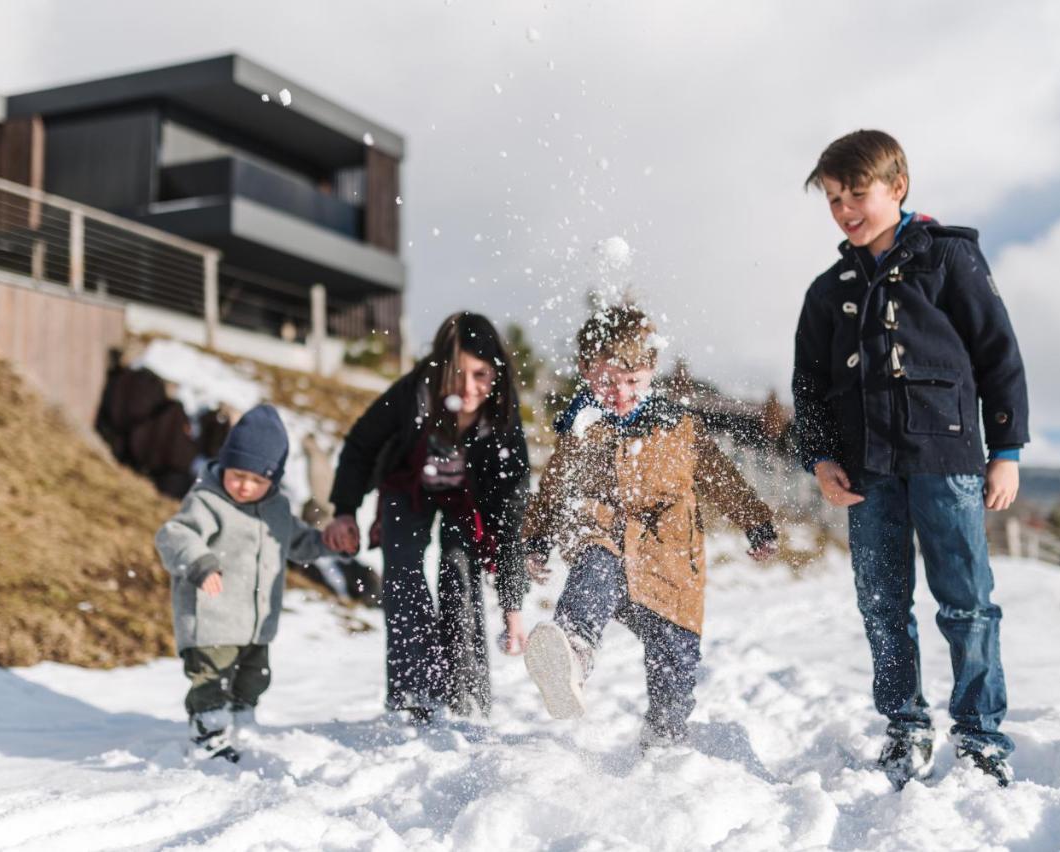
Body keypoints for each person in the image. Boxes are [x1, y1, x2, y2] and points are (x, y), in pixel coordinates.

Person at [793, 129, 1029, 788]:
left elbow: (998, 356)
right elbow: (808, 384)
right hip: (866, 470)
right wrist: (819, 457)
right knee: (882, 604)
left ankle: (982, 734)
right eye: (834, 199)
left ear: (897, 187)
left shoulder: (950, 260)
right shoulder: (827, 290)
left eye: (856, 194)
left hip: (947, 458)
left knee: (966, 603)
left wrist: (1005, 449)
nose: (845, 211)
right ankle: (905, 724)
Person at [520, 304, 778, 751]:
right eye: (606, 382)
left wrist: (755, 523)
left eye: (633, 382)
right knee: (595, 564)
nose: (620, 393)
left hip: (671, 563)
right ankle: (573, 652)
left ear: (651, 370)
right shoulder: (582, 429)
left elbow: (720, 477)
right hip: (610, 542)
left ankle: (664, 740)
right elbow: (552, 488)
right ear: (586, 371)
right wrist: (538, 538)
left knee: (674, 660)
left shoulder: (679, 428)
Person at [322, 312, 530, 722]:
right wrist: (344, 510)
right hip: (409, 483)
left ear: (496, 373)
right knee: (402, 567)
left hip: (468, 499)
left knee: (459, 569)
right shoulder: (413, 392)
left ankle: (466, 695)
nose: (469, 389)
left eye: (481, 375)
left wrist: (512, 604)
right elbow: (362, 443)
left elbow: (509, 508)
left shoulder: (501, 415)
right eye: (458, 374)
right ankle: (412, 694)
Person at [155, 404, 336, 761]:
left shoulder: (277, 509)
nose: (245, 486)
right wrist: (200, 563)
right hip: (211, 619)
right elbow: (174, 534)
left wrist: (329, 544)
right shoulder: (207, 501)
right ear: (224, 463)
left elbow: (298, 542)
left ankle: (241, 722)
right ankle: (209, 731)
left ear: (274, 479)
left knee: (253, 678)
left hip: (256, 623)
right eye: (238, 475)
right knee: (211, 679)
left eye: (258, 480)